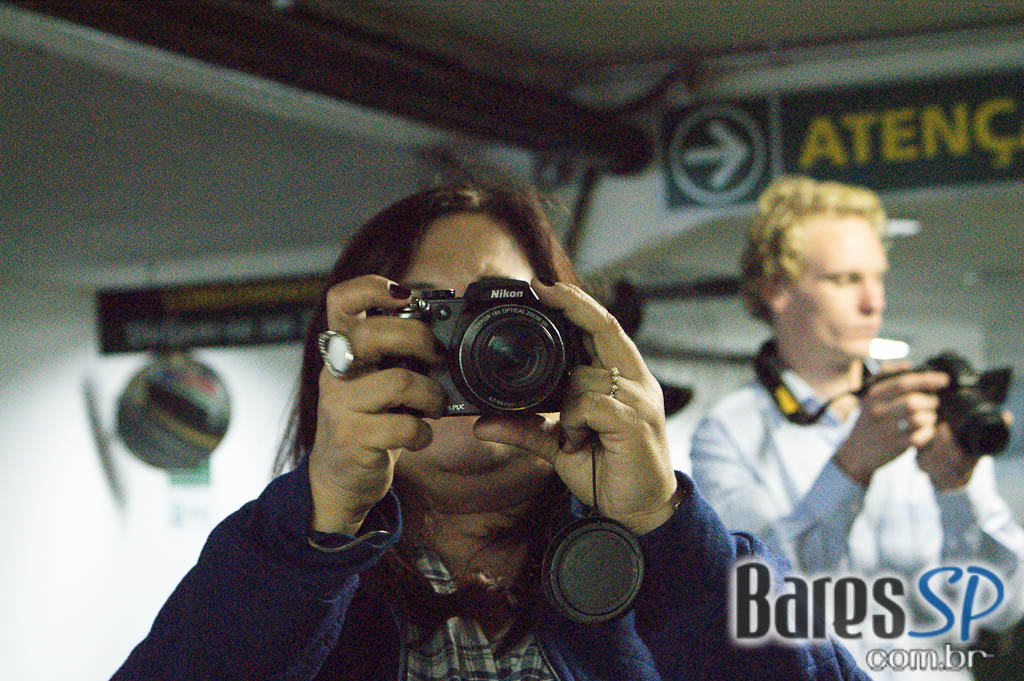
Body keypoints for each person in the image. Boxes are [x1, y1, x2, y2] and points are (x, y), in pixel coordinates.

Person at [112, 183, 870, 680]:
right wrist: (317, 526)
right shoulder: (276, 568)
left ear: (576, 337)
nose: (476, 348)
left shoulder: (679, 561)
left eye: (504, 315)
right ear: (346, 361)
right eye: (432, 318)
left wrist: (662, 527)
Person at [690, 175, 1024, 679]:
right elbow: (751, 602)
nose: (874, 301)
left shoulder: (928, 413)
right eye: (846, 280)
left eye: (877, 278)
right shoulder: (728, 432)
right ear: (777, 289)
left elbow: (1004, 606)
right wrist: (849, 469)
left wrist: (958, 491)